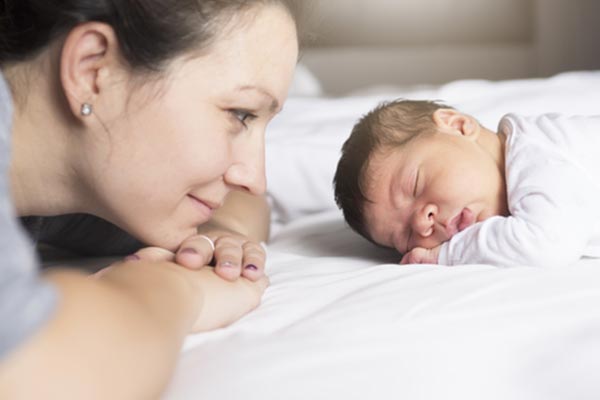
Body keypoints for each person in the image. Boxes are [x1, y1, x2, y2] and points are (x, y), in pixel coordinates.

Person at [0, 0, 299, 398]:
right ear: (93, 72)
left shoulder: (74, 189)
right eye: (240, 114)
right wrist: (170, 286)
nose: (255, 178)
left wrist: (220, 238)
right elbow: (39, 373)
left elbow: (247, 205)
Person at [333, 99, 600, 268]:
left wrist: (442, 256)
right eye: (406, 237)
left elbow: (546, 245)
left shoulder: (537, 154)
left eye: (415, 185)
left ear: (458, 126)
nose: (422, 223)